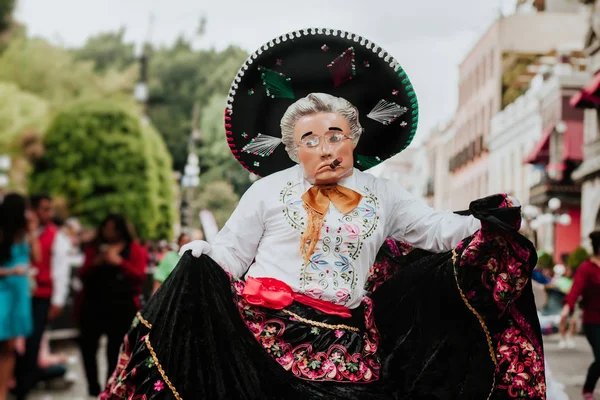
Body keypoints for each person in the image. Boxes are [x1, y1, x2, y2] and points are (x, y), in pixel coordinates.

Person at [101, 29, 544, 399]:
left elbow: (435, 231)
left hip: (349, 349)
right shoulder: (267, 191)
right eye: (310, 139)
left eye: (335, 134)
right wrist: (202, 258)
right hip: (265, 338)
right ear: (294, 149)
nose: (326, 147)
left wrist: (488, 222)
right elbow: (231, 256)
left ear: (354, 137)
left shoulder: (383, 194)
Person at [76, 213, 147, 397]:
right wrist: (96, 262)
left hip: (120, 307)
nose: (109, 232)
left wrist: (120, 262)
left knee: (114, 350)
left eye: (113, 228)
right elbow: (82, 274)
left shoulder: (134, 249)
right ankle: (93, 387)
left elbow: (139, 276)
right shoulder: (94, 248)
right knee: (88, 347)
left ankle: (110, 388)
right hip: (93, 305)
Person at [13, 194, 71, 400]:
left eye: (50, 209)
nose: (50, 213)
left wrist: (57, 300)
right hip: (16, 293)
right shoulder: (17, 232)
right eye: (45, 209)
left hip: (41, 295)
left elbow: (60, 271)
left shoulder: (56, 236)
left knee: (33, 340)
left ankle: (24, 387)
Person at [0, 194, 40, 400]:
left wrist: (33, 231)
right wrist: (9, 271)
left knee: (9, 347)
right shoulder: (1, 233)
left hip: (19, 293)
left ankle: (2, 393)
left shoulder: (25, 233)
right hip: (3, 291)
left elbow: (37, 257)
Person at [562, 231, 600, 399]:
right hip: (593, 321)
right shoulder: (586, 268)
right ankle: (588, 389)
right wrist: (567, 308)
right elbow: (575, 290)